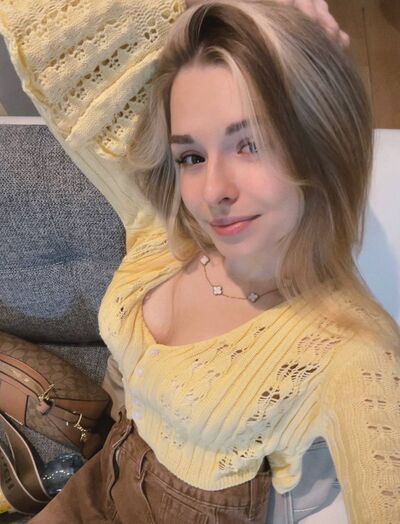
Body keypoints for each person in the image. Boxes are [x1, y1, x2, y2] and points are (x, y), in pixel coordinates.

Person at [0, 1, 399, 523]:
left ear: (321, 139)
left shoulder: (350, 348)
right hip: (105, 468)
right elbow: (47, 27)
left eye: (251, 144)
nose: (213, 192)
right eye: (191, 156)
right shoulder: (164, 225)